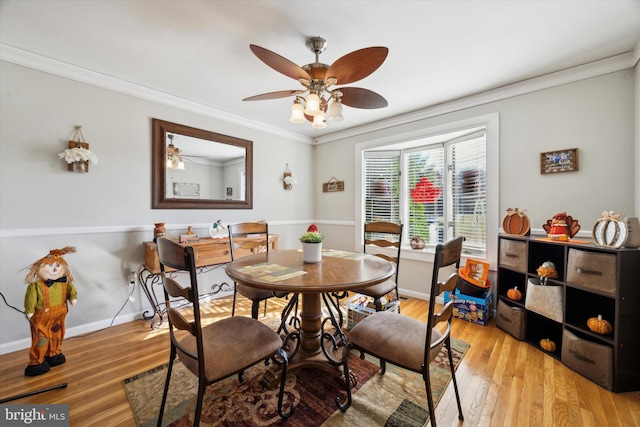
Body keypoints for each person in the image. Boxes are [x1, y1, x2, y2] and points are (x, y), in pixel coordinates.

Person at [23, 246, 78, 376]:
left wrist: (73, 298)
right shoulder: (36, 286)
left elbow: (72, 292)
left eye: (58, 266)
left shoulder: (65, 283)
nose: (54, 269)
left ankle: (53, 354)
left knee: (56, 336)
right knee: (42, 339)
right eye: (51, 265)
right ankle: (37, 362)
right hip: (42, 321)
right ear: (39, 269)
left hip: (58, 319)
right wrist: (29, 310)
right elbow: (30, 299)